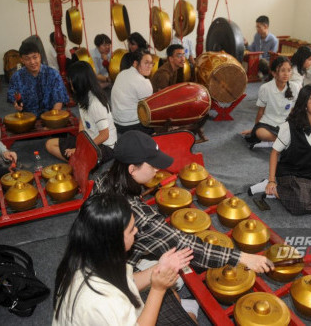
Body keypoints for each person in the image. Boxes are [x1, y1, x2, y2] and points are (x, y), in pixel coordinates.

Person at [93, 130, 274, 274]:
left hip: (99, 251)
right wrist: (241, 257)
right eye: (152, 165)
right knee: (174, 281)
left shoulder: (104, 178)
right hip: (114, 270)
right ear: (132, 169)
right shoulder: (137, 215)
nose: (158, 169)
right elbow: (185, 246)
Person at [53, 193, 196, 325]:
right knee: (186, 315)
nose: (136, 231)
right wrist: (158, 290)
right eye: (131, 229)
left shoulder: (87, 254)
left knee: (174, 296)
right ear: (114, 239)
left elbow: (127, 282)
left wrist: (159, 267)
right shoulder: (105, 301)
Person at [264, 84, 311, 215]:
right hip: (289, 173)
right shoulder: (289, 126)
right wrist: (272, 180)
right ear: (304, 105)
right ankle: (273, 188)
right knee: (302, 204)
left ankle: (284, 193)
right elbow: (275, 152)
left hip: (310, 176)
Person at [45, 61, 117, 163]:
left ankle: (77, 162)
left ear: (80, 82)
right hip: (89, 140)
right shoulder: (82, 96)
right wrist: (80, 141)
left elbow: (105, 135)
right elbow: (82, 121)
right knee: (50, 144)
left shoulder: (96, 104)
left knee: (81, 158)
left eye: (71, 82)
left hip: (105, 146)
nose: (70, 84)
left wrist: (80, 149)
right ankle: (76, 162)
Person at [242, 56, 300, 148]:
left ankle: (275, 141)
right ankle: (282, 142)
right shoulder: (265, 88)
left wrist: (293, 126)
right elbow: (261, 111)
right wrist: (255, 128)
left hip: (285, 124)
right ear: (274, 73)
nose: (286, 74)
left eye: (289, 70)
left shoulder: (294, 87)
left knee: (302, 131)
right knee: (259, 132)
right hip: (268, 123)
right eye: (282, 70)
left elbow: (293, 111)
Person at [7, 42, 69, 117]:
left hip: (51, 115)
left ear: (40, 56)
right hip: (27, 118)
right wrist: (16, 103)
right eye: (27, 59)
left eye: (35, 57)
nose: (32, 62)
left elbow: (59, 100)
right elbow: (12, 94)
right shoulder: (16, 77)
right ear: (22, 60)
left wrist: (52, 119)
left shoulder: (53, 74)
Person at [111, 49, 155, 135]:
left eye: (151, 63)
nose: (149, 66)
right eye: (146, 63)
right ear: (135, 64)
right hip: (130, 125)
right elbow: (149, 112)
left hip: (116, 123)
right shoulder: (143, 82)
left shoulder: (122, 73)